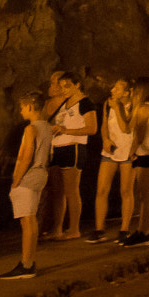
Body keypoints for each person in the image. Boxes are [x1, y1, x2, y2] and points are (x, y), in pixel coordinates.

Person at [0, 89, 53, 279]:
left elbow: (25, 156)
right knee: (32, 220)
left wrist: (16, 180)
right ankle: (29, 261)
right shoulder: (47, 127)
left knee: (27, 221)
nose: (21, 111)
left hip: (28, 176)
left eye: (22, 107)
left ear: (30, 106)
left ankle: (26, 264)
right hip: (41, 174)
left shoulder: (30, 129)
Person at [43, 71, 97, 241]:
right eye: (61, 86)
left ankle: (74, 229)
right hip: (57, 148)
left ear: (77, 85)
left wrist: (67, 131)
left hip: (73, 148)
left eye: (67, 86)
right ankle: (57, 229)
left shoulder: (85, 103)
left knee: (71, 191)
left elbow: (92, 128)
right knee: (58, 191)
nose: (63, 89)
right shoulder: (65, 103)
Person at [85, 79, 133, 243]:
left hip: (128, 152)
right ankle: (99, 229)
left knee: (126, 191)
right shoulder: (108, 104)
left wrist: (118, 108)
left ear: (126, 93)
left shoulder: (134, 106)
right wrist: (105, 139)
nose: (112, 90)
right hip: (110, 151)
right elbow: (104, 124)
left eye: (117, 88)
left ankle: (124, 229)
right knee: (102, 190)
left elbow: (126, 127)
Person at [118, 77, 149, 247]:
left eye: (136, 89)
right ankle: (142, 231)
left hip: (145, 154)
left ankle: (145, 234)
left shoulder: (144, 109)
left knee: (146, 195)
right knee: (144, 195)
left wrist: (131, 152)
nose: (133, 92)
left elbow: (140, 134)